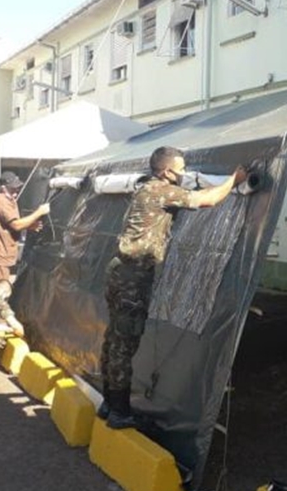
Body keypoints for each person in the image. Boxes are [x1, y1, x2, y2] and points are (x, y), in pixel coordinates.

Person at [99, 146, 247, 429]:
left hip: (121, 271)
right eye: (180, 170)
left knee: (115, 338)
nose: (183, 175)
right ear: (167, 172)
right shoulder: (159, 190)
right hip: (132, 277)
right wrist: (235, 179)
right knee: (124, 343)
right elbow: (207, 200)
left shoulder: (145, 188)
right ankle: (119, 411)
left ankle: (109, 403)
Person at [0, 171, 50, 290]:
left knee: (1, 286)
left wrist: (29, 225)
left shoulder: (9, 200)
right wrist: (39, 212)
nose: (16, 192)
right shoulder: (1, 201)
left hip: (3, 251)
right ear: (3, 188)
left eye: (17, 189)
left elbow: (9, 224)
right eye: (13, 189)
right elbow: (16, 225)